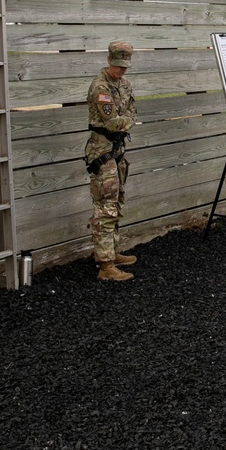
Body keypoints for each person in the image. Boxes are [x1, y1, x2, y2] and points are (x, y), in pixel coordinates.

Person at [85, 41, 138, 281]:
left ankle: (111, 252)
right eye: (117, 66)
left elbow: (132, 113)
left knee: (117, 201)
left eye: (124, 67)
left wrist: (125, 118)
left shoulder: (124, 84)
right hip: (102, 152)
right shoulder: (100, 87)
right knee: (105, 206)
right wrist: (126, 119)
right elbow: (114, 123)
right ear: (108, 60)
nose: (120, 71)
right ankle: (105, 266)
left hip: (117, 151)